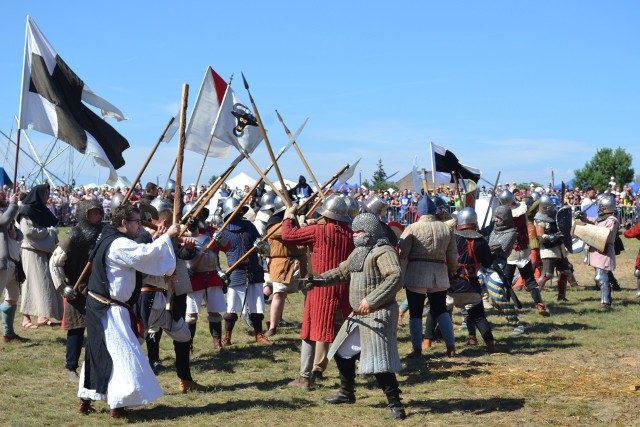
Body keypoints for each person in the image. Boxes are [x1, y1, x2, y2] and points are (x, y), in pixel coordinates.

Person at [77, 205, 181, 419]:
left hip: (104, 305)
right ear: (124, 223)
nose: (140, 226)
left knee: (99, 353)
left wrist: (158, 243)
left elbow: (134, 267)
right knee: (121, 355)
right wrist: (168, 238)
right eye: (136, 222)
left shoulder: (111, 238)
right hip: (109, 309)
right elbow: (145, 255)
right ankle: (118, 406)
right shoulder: (118, 244)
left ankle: (85, 400)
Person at [311, 213, 405, 419]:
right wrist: (319, 280)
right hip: (359, 315)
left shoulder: (384, 251)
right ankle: (346, 393)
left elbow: (395, 276)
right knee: (341, 350)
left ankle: (396, 406)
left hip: (378, 313)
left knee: (379, 361)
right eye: (354, 232)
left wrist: (372, 300)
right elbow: (342, 272)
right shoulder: (359, 252)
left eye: (360, 232)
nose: (355, 235)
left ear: (371, 232)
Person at [282, 195, 354, 388]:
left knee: (310, 332)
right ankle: (352, 375)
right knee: (346, 333)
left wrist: (288, 217)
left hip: (320, 289)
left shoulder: (319, 231)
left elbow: (289, 235)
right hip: (343, 288)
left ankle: (305, 377)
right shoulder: (350, 233)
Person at [135, 206, 206, 392]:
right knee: (135, 340)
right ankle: (126, 381)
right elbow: (144, 261)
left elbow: (172, 259)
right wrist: (161, 238)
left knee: (183, 335)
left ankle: (185, 379)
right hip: (146, 296)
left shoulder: (166, 237)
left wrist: (186, 249)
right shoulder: (142, 238)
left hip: (164, 295)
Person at [49, 200, 104, 382]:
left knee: (98, 329)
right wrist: (63, 287)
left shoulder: (103, 233)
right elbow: (55, 262)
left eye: (98, 212)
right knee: (76, 329)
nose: (97, 216)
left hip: (98, 287)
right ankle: (71, 367)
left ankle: (97, 365)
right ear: (84, 214)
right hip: (77, 287)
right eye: (93, 213)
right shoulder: (73, 235)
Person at [398, 196, 458, 357]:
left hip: (417, 272)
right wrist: (452, 271)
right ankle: (451, 347)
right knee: (441, 311)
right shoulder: (446, 228)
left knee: (416, 313)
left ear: (419, 212)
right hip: (439, 272)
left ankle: (417, 349)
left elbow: (403, 252)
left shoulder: (412, 227)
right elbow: (452, 254)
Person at [218, 198, 271, 346]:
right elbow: (215, 250)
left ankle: (259, 334)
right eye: (237, 209)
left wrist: (260, 245)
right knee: (232, 307)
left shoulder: (249, 226)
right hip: (236, 270)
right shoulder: (223, 230)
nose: (240, 212)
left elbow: (265, 248)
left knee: (257, 304)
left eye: (241, 209)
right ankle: (227, 337)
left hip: (254, 269)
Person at [448, 207, 496, 352]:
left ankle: (427, 343)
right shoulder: (480, 241)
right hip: (471, 286)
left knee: (436, 313)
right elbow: (488, 263)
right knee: (480, 317)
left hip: (452, 285)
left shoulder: (452, 238)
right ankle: (491, 346)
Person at [18, 184, 62, 328]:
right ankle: (26, 318)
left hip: (43, 252)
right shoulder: (26, 211)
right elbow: (28, 231)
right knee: (30, 284)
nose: (48, 197)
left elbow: (52, 226)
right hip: (31, 252)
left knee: (43, 283)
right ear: (39, 195)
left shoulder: (42, 210)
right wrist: (49, 232)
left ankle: (42, 315)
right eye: (46, 194)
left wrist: (51, 233)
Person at [499, 190, 550, 315]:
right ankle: (539, 304)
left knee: (507, 281)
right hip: (524, 249)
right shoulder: (522, 211)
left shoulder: (504, 215)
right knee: (530, 281)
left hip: (510, 251)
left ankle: (506, 307)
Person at [534, 194, 579, 301]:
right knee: (547, 274)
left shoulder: (555, 214)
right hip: (548, 249)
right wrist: (554, 236)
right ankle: (535, 297)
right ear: (544, 207)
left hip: (559, 247)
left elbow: (562, 225)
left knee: (566, 271)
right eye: (549, 206)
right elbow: (541, 237)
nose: (552, 208)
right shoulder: (539, 219)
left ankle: (561, 296)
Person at [583, 194, 619, 308]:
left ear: (606, 208)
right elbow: (591, 221)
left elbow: (605, 234)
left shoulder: (612, 220)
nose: (599, 209)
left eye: (601, 207)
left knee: (600, 277)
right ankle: (606, 298)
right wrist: (583, 218)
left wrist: (592, 230)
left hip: (604, 250)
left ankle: (606, 301)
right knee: (600, 276)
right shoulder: (600, 218)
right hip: (596, 250)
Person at [0, 192, 27, 344]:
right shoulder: (5, 214)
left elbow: (20, 235)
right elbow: (4, 220)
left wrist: (14, 234)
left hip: (12, 262)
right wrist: (13, 203)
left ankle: (8, 334)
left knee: (12, 298)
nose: (3, 197)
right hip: (1, 263)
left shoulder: (6, 213)